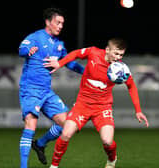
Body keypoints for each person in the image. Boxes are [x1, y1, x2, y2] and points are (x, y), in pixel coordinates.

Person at [43, 37, 149, 168]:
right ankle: (54, 166)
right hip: (83, 104)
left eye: (121, 55)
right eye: (116, 53)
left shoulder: (121, 69)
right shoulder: (93, 53)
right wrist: (60, 63)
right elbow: (76, 53)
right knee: (66, 133)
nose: (118, 57)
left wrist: (138, 110)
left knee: (107, 141)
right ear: (107, 50)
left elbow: (131, 86)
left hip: (102, 107)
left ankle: (111, 160)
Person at [18, 7, 84, 168]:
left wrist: (88, 72)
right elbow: (21, 49)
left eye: (62, 23)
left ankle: (40, 144)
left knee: (68, 124)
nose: (61, 26)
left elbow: (69, 63)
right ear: (48, 22)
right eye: (58, 22)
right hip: (30, 89)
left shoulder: (59, 45)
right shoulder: (36, 37)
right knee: (30, 124)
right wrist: (28, 50)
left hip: (46, 91)